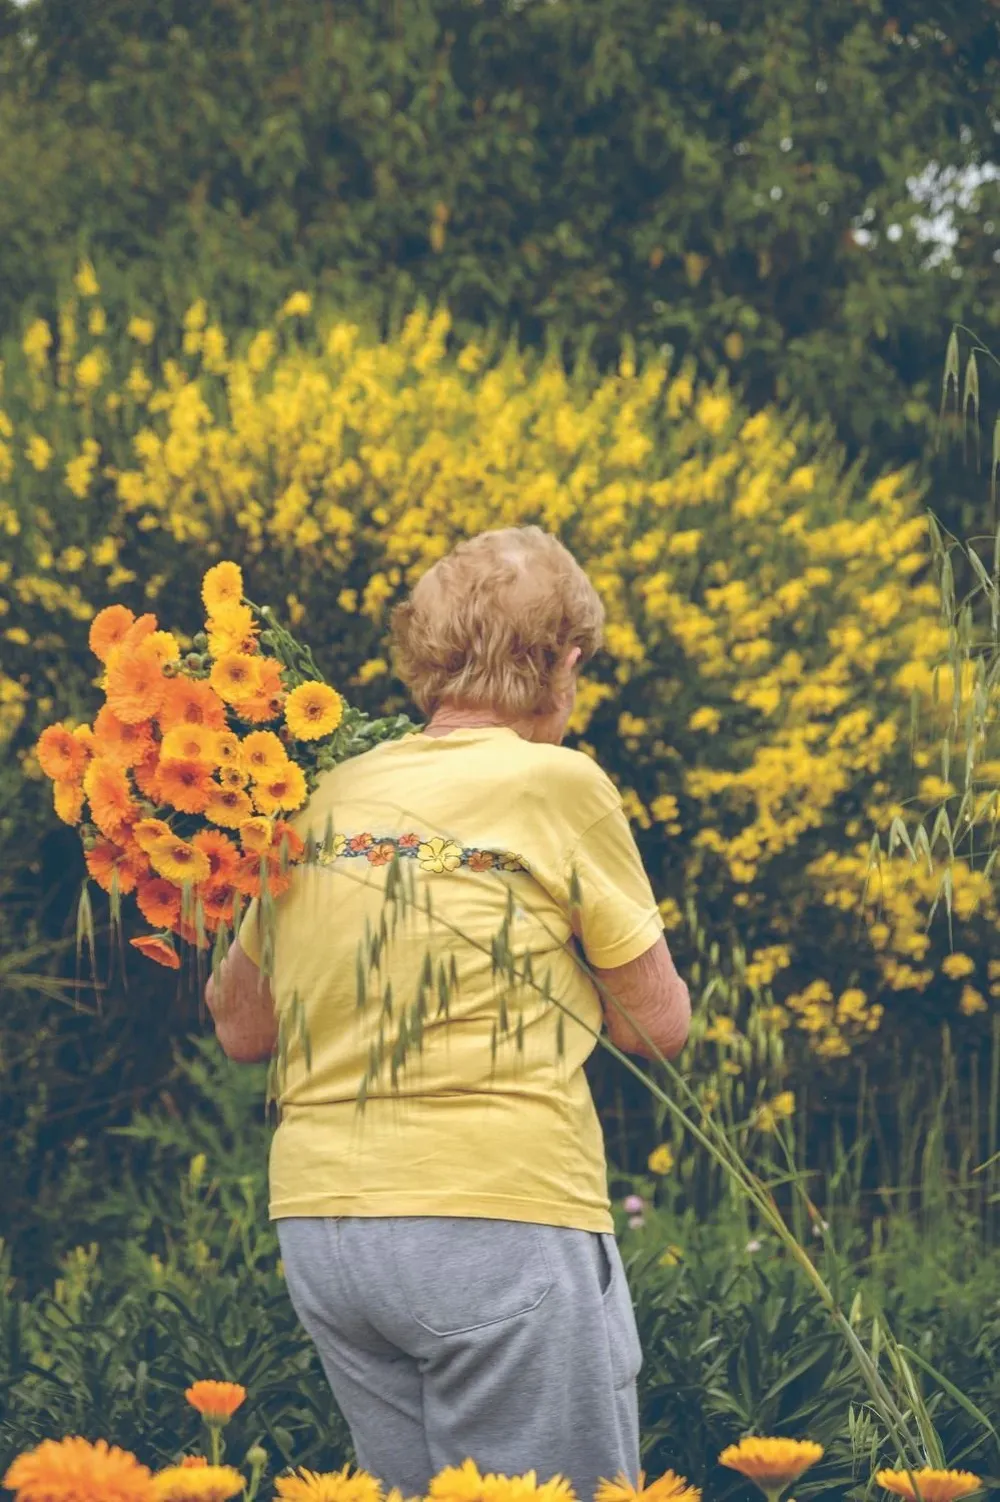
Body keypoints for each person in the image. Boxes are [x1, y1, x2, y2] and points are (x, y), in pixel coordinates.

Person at [205, 526, 691, 1501]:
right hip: (494, 1217)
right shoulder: (560, 783)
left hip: (327, 1233)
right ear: (564, 660)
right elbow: (656, 1025)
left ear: (423, 655)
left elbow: (241, 1026)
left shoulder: (324, 796)